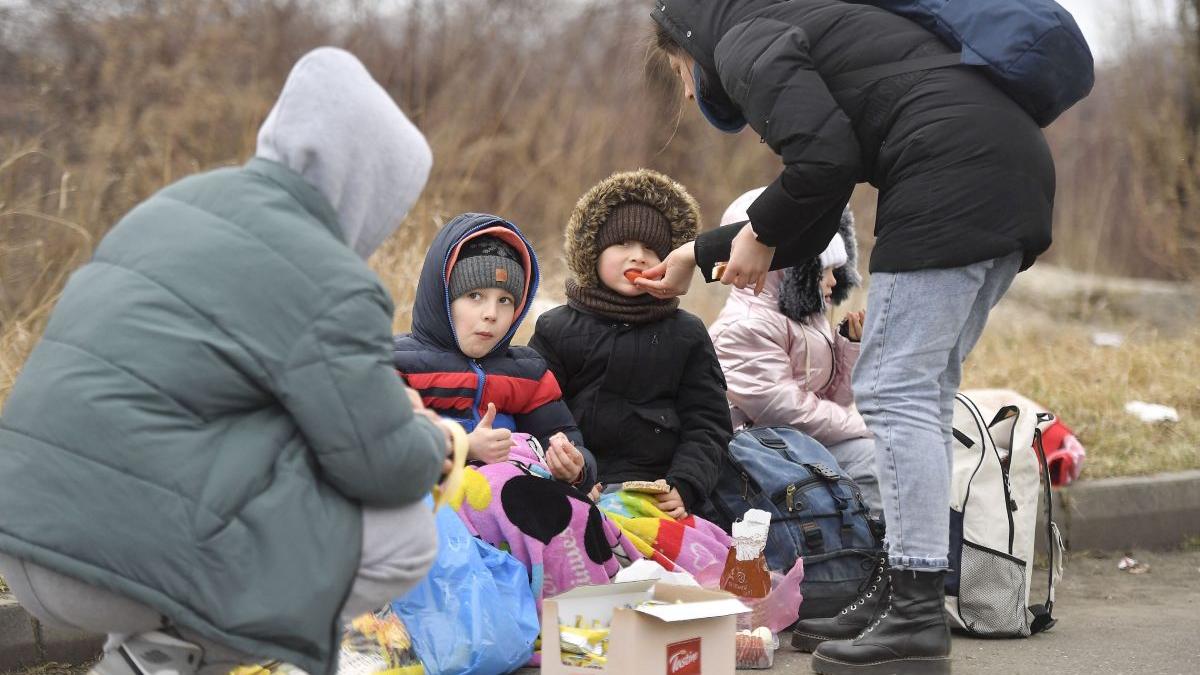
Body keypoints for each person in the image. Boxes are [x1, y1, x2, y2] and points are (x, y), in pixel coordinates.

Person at [0, 47, 449, 675]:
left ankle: (135, 653)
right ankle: (186, 656)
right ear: (364, 182)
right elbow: (385, 468)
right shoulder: (328, 278)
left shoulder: (175, 205)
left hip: (23, 532)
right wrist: (437, 440)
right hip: (103, 560)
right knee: (405, 532)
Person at [642, 2, 1057, 672]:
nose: (688, 92)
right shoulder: (791, 21)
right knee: (915, 392)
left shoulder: (744, 43)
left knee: (894, 391)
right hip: (1005, 169)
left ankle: (916, 616)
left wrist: (760, 230)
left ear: (690, 41)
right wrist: (700, 251)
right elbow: (815, 208)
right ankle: (900, 591)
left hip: (950, 176)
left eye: (679, 74)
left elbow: (823, 164)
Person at [529, 169, 732, 520]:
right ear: (593, 252)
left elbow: (708, 423)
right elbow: (537, 410)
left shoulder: (686, 333)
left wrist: (686, 484)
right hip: (577, 483)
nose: (637, 256)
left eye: (652, 249)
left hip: (656, 491)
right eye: (623, 244)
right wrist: (571, 469)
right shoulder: (556, 328)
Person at [708, 188, 881, 518]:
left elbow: (834, 402)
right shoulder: (745, 327)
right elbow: (786, 413)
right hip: (759, 457)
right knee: (876, 458)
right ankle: (880, 550)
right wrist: (866, 423)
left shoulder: (806, 320)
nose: (834, 281)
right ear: (788, 269)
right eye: (822, 270)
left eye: (837, 270)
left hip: (797, 444)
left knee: (889, 451)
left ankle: (883, 543)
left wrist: (849, 349)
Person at [393, 213, 597, 488]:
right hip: (435, 508)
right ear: (442, 298)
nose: (491, 314)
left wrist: (574, 467)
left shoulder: (529, 373)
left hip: (511, 510)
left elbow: (566, 440)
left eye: (505, 300)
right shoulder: (399, 364)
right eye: (474, 296)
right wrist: (464, 447)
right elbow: (383, 450)